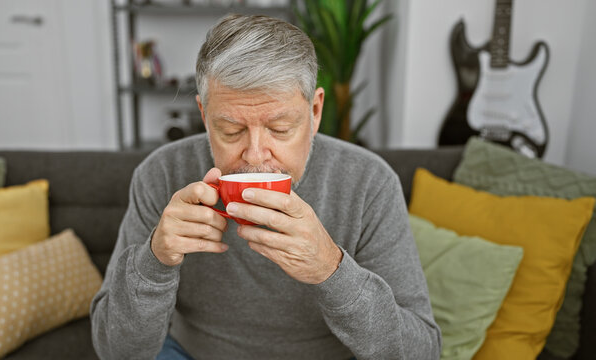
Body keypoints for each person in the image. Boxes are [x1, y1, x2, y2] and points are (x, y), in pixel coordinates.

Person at [90, 14, 441, 360]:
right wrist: (155, 260)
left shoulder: (369, 183)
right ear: (203, 114)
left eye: (280, 128)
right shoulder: (161, 174)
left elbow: (421, 351)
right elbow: (115, 351)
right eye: (230, 130)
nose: (255, 156)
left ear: (315, 111)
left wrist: (330, 269)